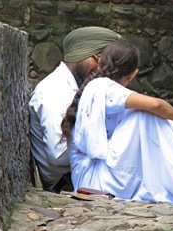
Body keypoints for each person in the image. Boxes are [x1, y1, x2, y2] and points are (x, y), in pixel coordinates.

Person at [61, 41, 173, 203]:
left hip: (96, 177)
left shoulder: (98, 87)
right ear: (134, 74)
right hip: (96, 180)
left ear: (101, 62)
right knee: (146, 114)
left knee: (148, 114)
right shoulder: (104, 88)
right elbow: (157, 104)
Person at [29, 26, 122, 193]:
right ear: (82, 54)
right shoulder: (54, 91)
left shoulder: (78, 87)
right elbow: (57, 155)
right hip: (66, 183)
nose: (102, 70)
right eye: (100, 60)